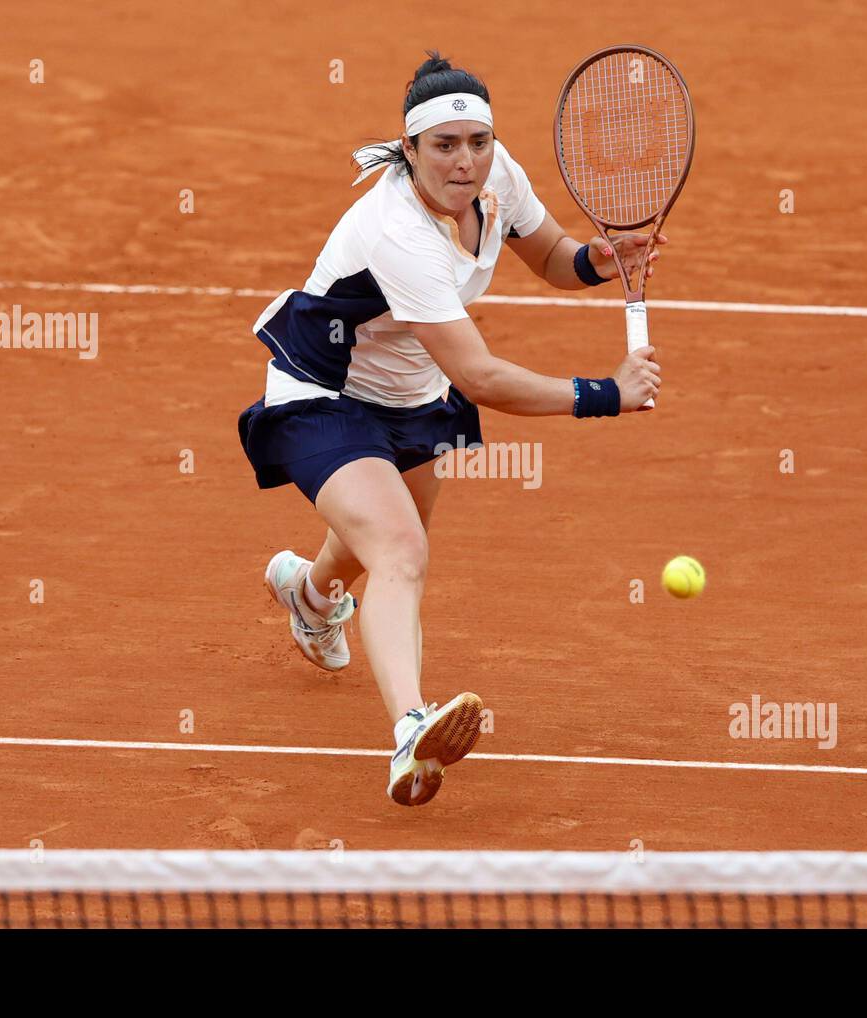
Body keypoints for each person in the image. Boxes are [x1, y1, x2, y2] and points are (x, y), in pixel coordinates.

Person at [238, 51, 665, 806]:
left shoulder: (498, 177)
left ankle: (308, 597)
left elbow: (551, 257)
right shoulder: (394, 230)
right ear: (409, 150)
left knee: (383, 538)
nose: (465, 161)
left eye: (478, 141)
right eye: (444, 145)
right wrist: (605, 393)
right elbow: (482, 378)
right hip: (322, 393)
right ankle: (410, 731)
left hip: (412, 393)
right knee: (401, 547)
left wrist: (599, 261)